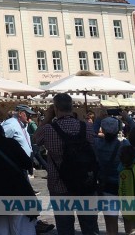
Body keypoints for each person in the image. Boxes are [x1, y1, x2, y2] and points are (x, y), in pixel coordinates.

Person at [34, 93, 99, 235]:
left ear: (55, 108)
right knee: (90, 226)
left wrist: (48, 117)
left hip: (59, 185)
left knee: (64, 227)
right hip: (86, 182)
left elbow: (36, 139)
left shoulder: (49, 129)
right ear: (72, 107)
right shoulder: (86, 127)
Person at [94, 117, 127, 235]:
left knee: (111, 225)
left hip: (107, 186)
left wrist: (98, 118)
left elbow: (92, 133)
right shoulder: (124, 145)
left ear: (102, 129)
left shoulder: (97, 143)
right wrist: (127, 118)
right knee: (129, 222)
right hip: (124, 186)